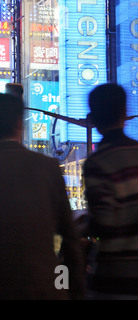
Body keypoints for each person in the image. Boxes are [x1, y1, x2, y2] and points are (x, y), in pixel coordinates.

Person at [0, 92, 85, 300]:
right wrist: (75, 290)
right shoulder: (48, 168)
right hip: (46, 285)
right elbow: (70, 237)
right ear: (18, 122)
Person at [83, 83, 138, 299]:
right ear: (125, 113)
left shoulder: (97, 162)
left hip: (116, 278)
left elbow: (104, 222)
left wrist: (83, 226)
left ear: (93, 118)